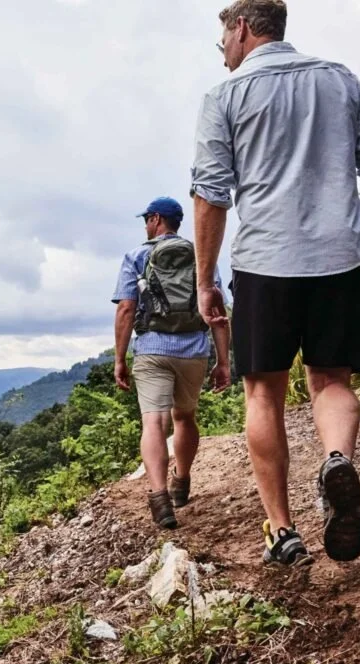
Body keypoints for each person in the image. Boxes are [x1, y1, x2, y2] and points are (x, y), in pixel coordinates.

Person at [190, 0, 360, 566]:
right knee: (330, 379)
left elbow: (210, 196)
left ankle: (282, 533)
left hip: (265, 263)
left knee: (263, 392)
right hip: (337, 259)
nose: (225, 56)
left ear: (240, 29)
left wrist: (205, 280)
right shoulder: (338, 80)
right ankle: (336, 459)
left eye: (223, 43)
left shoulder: (225, 97)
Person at [112, 196, 232, 530]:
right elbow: (218, 311)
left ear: (155, 220)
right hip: (193, 349)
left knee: (153, 422)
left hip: (151, 349)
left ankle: (159, 496)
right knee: (184, 417)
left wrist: (120, 358)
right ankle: (182, 480)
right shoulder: (202, 256)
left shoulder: (137, 256)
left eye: (146, 220)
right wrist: (223, 361)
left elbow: (125, 308)